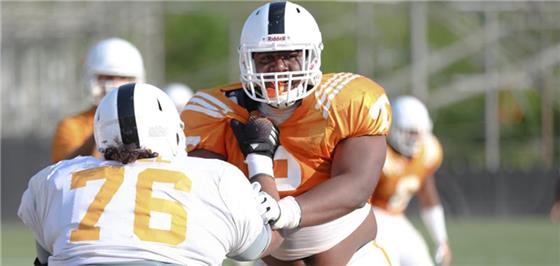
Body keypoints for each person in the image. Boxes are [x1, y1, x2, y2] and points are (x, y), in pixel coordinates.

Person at [181, 1, 392, 265]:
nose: (279, 67)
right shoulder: (216, 110)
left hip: (349, 249)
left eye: (290, 55)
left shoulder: (347, 100)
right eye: (267, 58)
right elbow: (202, 190)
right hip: (268, 254)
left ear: (311, 57)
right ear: (248, 60)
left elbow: (358, 185)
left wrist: (287, 211)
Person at [19, 83, 283, 266]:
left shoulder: (58, 179)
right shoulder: (216, 178)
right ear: (174, 130)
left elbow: (45, 257)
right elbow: (262, 243)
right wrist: (260, 159)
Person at [369, 95, 452, 266]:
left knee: (422, 260)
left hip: (397, 218)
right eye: (410, 133)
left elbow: (429, 197)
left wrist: (441, 239)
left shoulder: (427, 152)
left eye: (418, 133)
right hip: (373, 217)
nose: (415, 139)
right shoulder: (380, 153)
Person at [50, 37, 145, 162]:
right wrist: (103, 128)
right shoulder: (71, 126)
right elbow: (63, 171)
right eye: (108, 77)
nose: (115, 83)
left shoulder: (146, 121)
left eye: (123, 77)